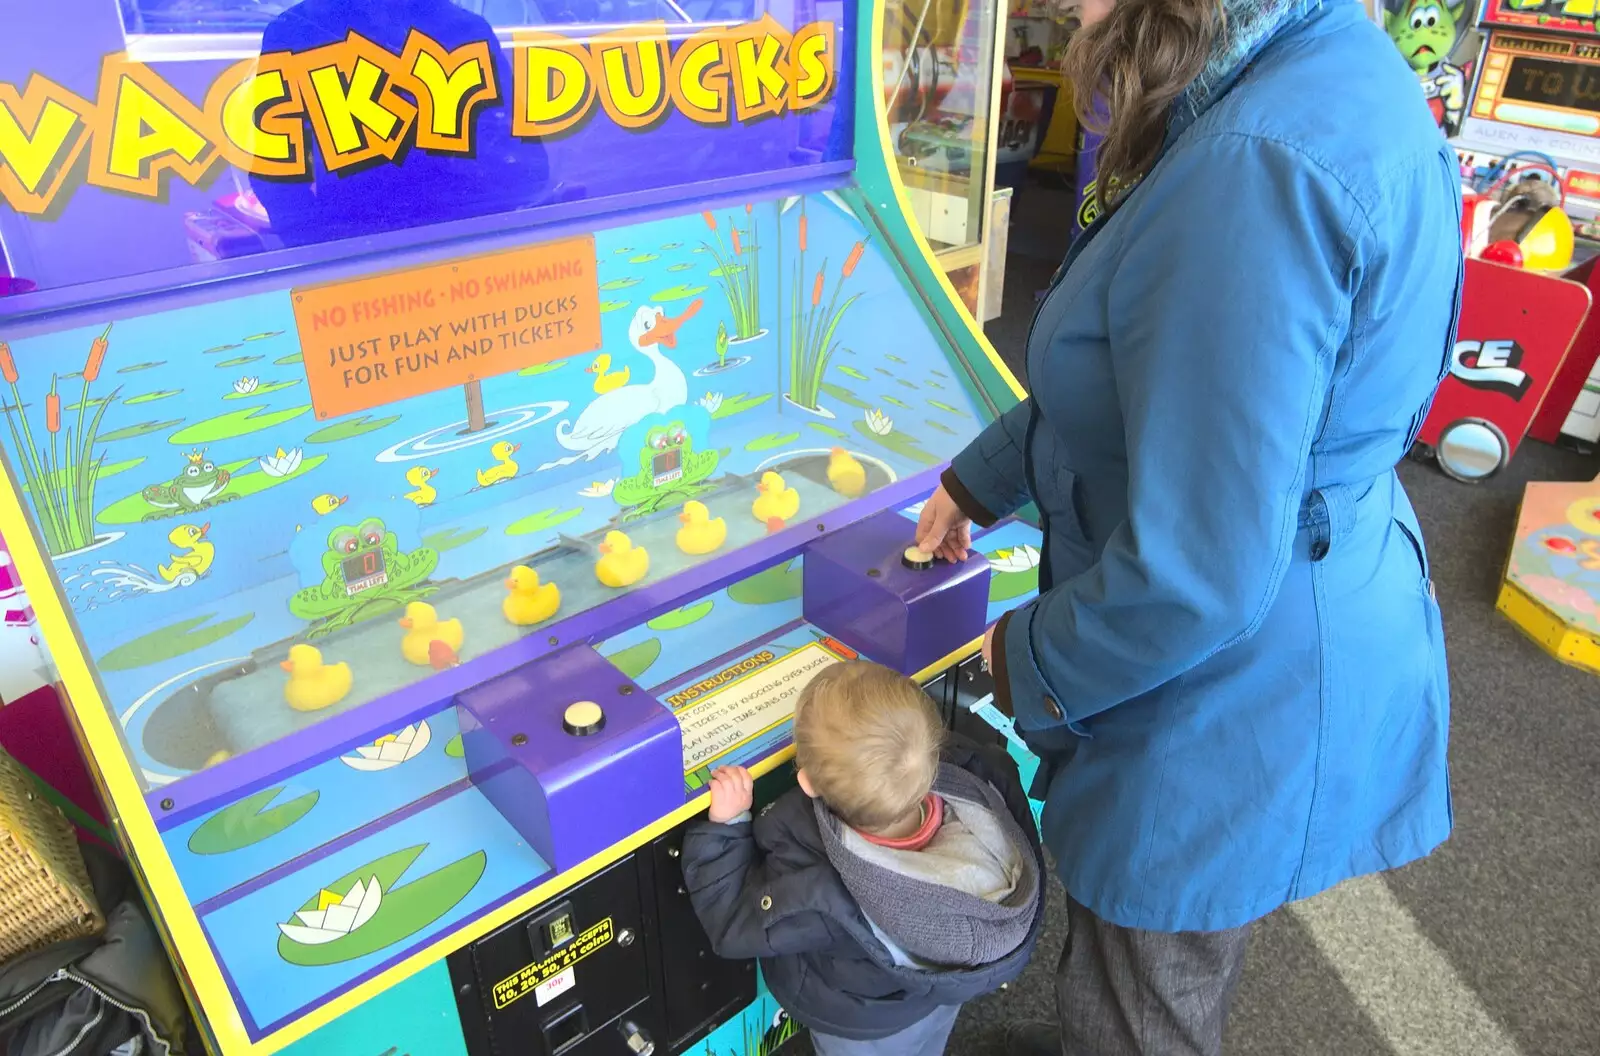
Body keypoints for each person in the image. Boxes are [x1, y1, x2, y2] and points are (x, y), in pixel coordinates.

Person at [914, 0, 1461, 1052]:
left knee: (1147, 984)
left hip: (1217, 684)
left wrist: (1019, 656)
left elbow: (1198, 573)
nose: (1061, 8)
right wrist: (985, 477)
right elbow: (1152, 367)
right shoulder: (1320, 62)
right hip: (1301, 617)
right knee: (1169, 951)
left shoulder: (1249, 168)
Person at [680, 661, 1044, 1055]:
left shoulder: (818, 882)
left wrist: (728, 824)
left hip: (859, 1023)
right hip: (934, 998)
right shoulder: (980, 808)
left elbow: (733, 918)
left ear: (806, 783)